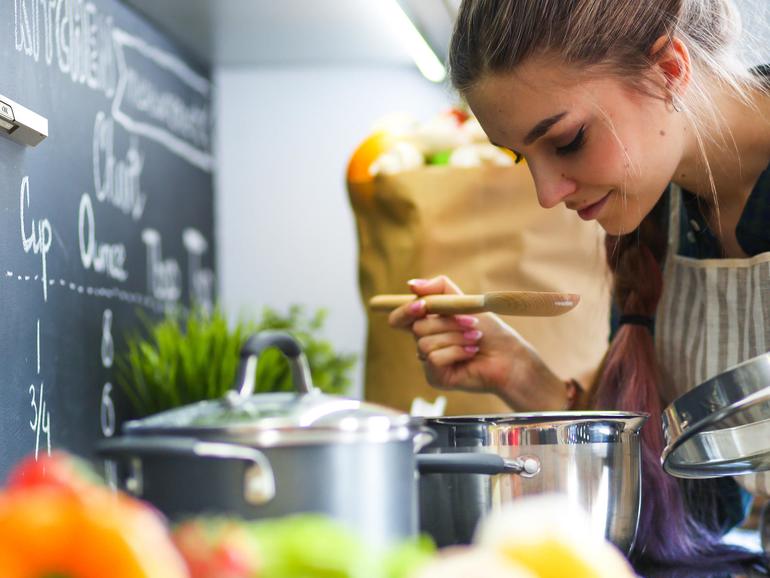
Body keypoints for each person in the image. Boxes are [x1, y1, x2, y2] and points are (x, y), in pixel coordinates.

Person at [388, 0, 770, 565]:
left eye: (567, 141)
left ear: (669, 70)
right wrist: (522, 376)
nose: (547, 194)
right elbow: (696, 503)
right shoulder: (657, 222)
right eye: (522, 158)